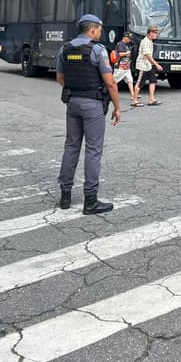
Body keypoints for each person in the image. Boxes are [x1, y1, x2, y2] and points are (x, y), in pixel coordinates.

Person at [56, 13, 121, 215]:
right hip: (92, 104)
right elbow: (110, 82)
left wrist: (76, 88)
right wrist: (118, 107)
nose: (100, 34)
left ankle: (65, 196)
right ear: (92, 30)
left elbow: (60, 78)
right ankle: (90, 200)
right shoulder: (98, 50)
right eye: (100, 30)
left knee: (71, 146)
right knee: (93, 150)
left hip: (72, 102)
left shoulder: (64, 49)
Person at [135, 25, 164, 105]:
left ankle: (152, 99)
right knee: (140, 82)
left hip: (149, 65)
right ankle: (134, 100)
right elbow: (148, 55)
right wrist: (156, 65)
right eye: (155, 33)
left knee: (153, 81)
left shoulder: (150, 41)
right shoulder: (145, 42)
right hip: (143, 65)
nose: (156, 35)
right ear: (150, 33)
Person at [113, 32, 141, 107]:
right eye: (129, 38)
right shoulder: (120, 44)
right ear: (125, 37)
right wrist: (127, 53)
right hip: (121, 66)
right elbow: (120, 54)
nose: (129, 40)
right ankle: (109, 93)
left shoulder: (126, 45)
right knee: (113, 81)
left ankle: (132, 95)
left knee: (130, 80)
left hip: (126, 66)